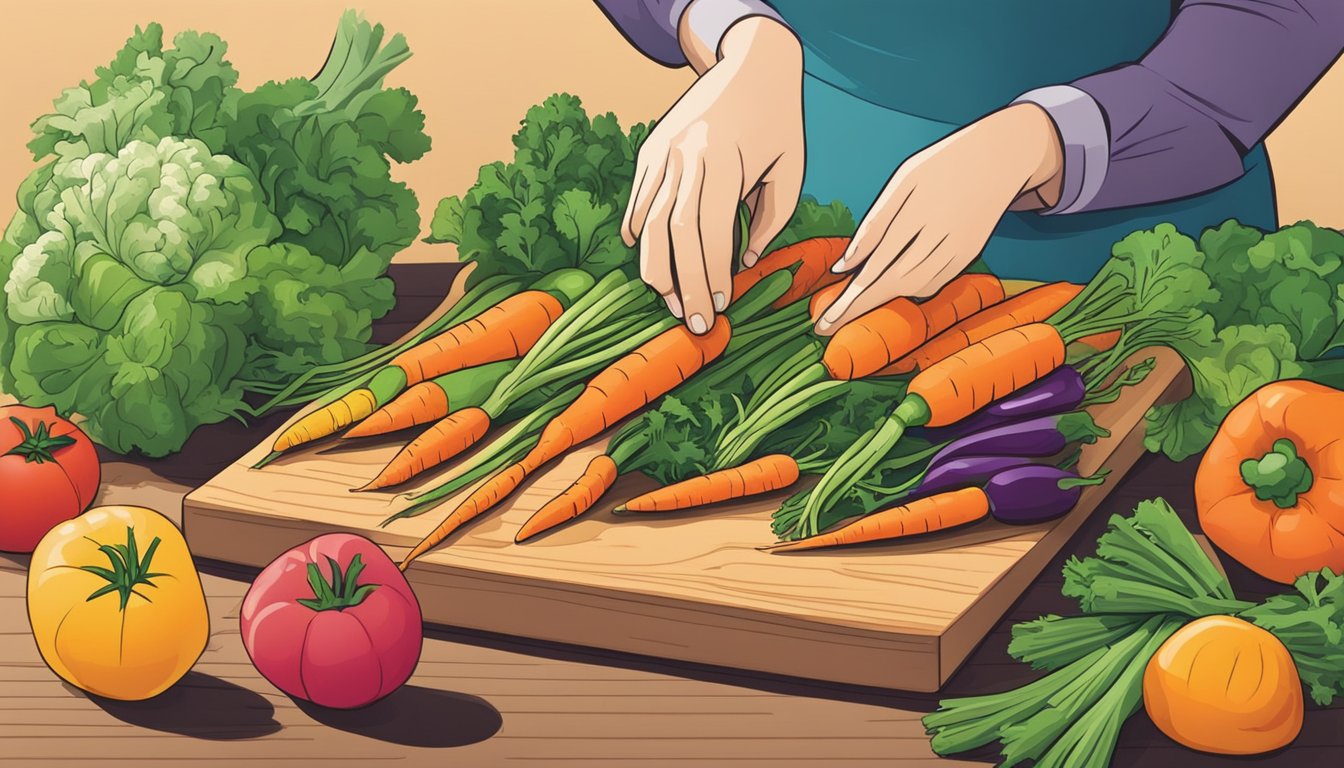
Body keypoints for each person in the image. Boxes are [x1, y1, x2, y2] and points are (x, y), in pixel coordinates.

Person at [593, 0, 1343, 336]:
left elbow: (1272, 23)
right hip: (778, 229)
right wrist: (738, 34)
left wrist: (1038, 140)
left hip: (1114, 273)